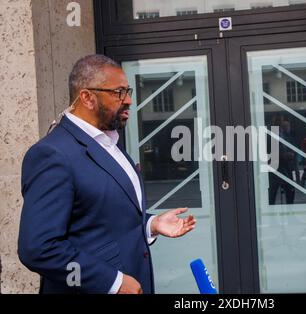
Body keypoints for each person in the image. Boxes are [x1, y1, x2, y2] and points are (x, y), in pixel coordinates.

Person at [18, 55, 196, 294]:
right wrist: (111, 282)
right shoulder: (52, 154)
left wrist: (151, 224)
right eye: (119, 92)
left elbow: (102, 217)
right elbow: (38, 248)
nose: (129, 100)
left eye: (128, 91)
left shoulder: (109, 142)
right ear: (87, 97)